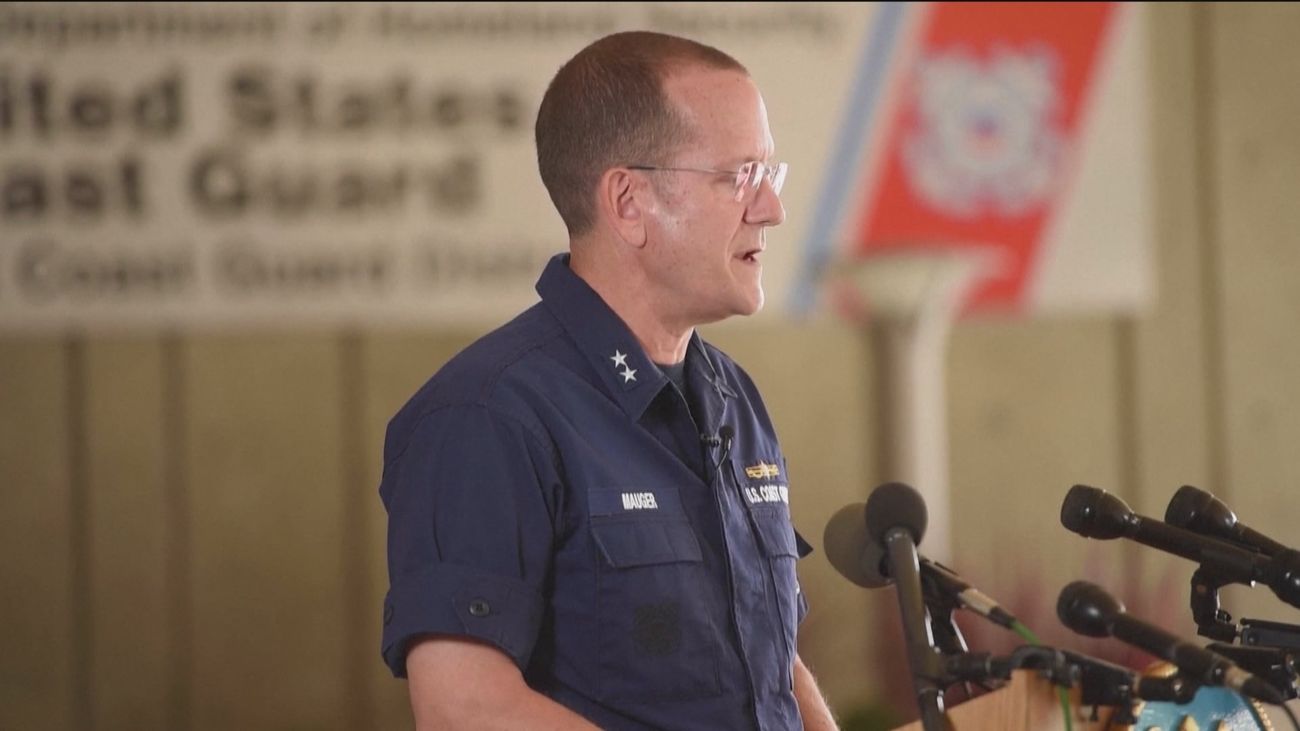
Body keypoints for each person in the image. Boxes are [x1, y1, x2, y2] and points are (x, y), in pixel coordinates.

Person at [379, 30, 838, 731]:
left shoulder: (732, 398)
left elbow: (772, 664)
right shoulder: (486, 414)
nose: (771, 209)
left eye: (770, 175)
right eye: (739, 175)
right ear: (628, 202)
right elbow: (465, 708)